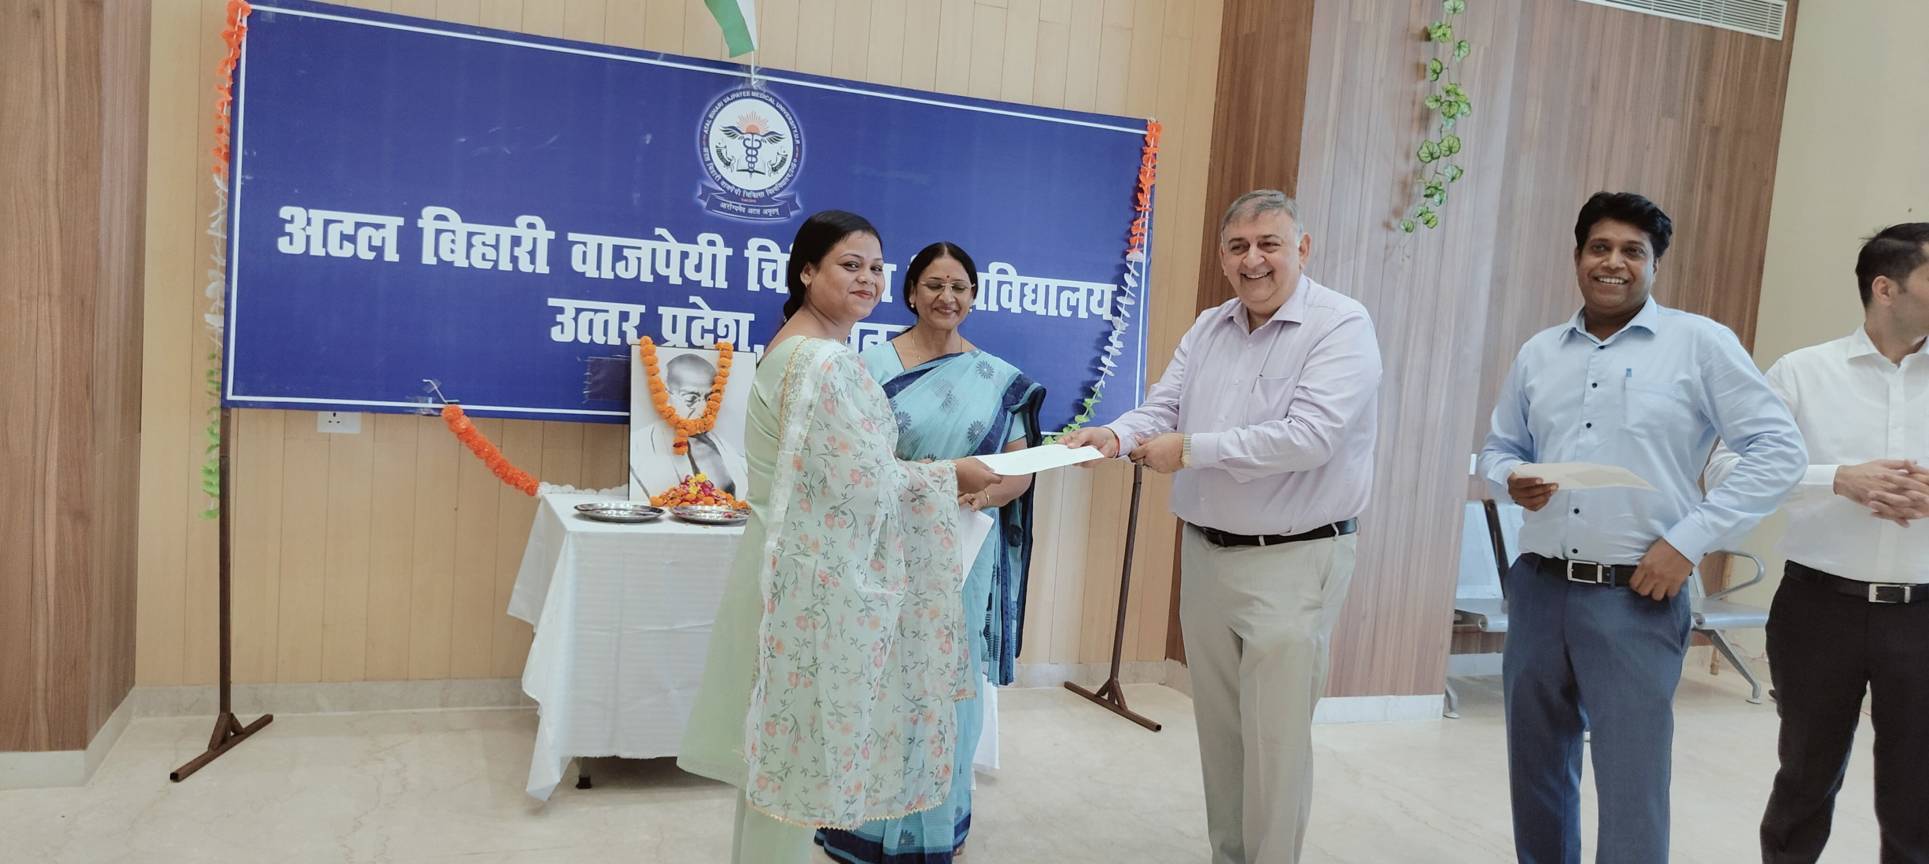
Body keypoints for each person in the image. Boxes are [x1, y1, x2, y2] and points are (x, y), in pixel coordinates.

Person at [1477, 192, 1806, 864]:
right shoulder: (1539, 353)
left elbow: (1779, 451)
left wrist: (1688, 542)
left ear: (1656, 265)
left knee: (1632, 782)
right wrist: (1510, 477)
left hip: (1636, 595)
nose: (1613, 263)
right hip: (1537, 589)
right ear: (1577, 256)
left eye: (1633, 251)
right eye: (1600, 247)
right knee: (1535, 771)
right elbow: (1499, 447)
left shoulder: (1699, 344)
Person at [1060, 189, 1382, 864]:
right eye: (1237, 247)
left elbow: (1310, 437)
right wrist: (1115, 436)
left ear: (1302, 248)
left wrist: (1192, 450)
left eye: (1269, 244)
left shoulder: (1340, 325)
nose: (1252, 260)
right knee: (1222, 733)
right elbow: (1163, 407)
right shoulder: (1210, 326)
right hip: (1206, 554)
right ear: (1222, 256)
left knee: (1276, 743)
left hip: (1294, 560)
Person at [676, 211, 1002, 864]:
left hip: (785, 567)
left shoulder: (792, 348)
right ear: (807, 271)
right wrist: (952, 477)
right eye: (849, 265)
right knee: (795, 772)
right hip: (811, 589)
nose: (867, 279)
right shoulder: (824, 362)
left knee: (775, 768)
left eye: (876, 267)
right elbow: (865, 484)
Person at [816, 241, 1046, 864]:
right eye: (935, 285)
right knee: (879, 679)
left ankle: (937, 826)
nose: (948, 297)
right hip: (882, 548)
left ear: (973, 297)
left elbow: (1019, 468)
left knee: (946, 686)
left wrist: (987, 495)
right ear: (911, 293)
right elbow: (849, 463)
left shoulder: (996, 379)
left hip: (963, 555)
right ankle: (861, 828)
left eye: (960, 287)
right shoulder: (867, 366)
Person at [1707, 223, 1929, 863]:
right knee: (1806, 777)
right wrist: (1836, 478)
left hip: (1923, 614)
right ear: (1885, 288)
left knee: (1918, 793)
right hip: (1818, 610)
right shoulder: (1803, 373)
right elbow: (1725, 470)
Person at [663, 353, 742, 495]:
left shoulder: (726, 446)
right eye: (691, 399)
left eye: (708, 398)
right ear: (667, 396)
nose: (702, 409)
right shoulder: (641, 447)